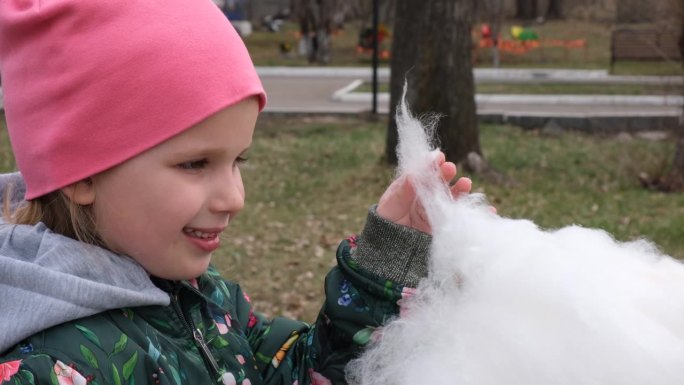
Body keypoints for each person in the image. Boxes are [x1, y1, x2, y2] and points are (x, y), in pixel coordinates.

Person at [0, 1, 471, 384]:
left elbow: (305, 374)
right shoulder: (49, 371)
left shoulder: (203, 300)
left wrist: (383, 259)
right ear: (82, 174)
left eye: (237, 160)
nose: (234, 198)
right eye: (195, 164)